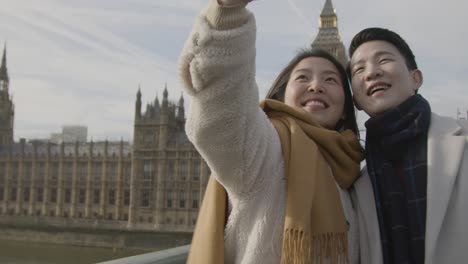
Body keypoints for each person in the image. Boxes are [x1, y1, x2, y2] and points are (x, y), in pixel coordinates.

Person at [178, 0, 364, 263]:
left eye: (331, 79)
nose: (315, 86)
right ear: (281, 96)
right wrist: (227, 13)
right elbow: (221, 106)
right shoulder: (263, 150)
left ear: (345, 106)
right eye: (302, 77)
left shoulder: (353, 174)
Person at [348, 27, 468, 264]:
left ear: (416, 78)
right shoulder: (357, 184)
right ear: (355, 101)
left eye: (384, 60)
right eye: (359, 69)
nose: (371, 72)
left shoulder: (463, 142)